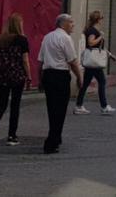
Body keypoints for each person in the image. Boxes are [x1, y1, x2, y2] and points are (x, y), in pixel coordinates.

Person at [39, 13, 83, 154]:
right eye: (71, 22)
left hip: (48, 75)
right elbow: (72, 61)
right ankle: (52, 141)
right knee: (60, 110)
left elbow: (40, 61)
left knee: (52, 108)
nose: (73, 25)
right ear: (63, 24)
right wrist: (79, 77)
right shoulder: (65, 38)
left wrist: (39, 78)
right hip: (60, 76)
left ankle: (55, 137)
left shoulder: (47, 37)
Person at [0, 13, 31, 148]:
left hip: (2, 77)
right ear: (19, 25)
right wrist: (29, 76)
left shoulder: (0, 40)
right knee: (15, 106)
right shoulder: (22, 40)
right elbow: (25, 60)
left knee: (1, 105)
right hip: (17, 76)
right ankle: (12, 136)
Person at [74, 10, 116, 116]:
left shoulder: (92, 29)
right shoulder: (93, 31)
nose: (102, 20)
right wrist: (100, 36)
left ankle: (79, 106)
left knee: (86, 84)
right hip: (94, 62)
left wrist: (110, 55)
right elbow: (91, 43)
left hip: (92, 61)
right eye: (102, 18)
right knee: (102, 82)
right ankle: (104, 106)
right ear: (98, 19)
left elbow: (99, 48)